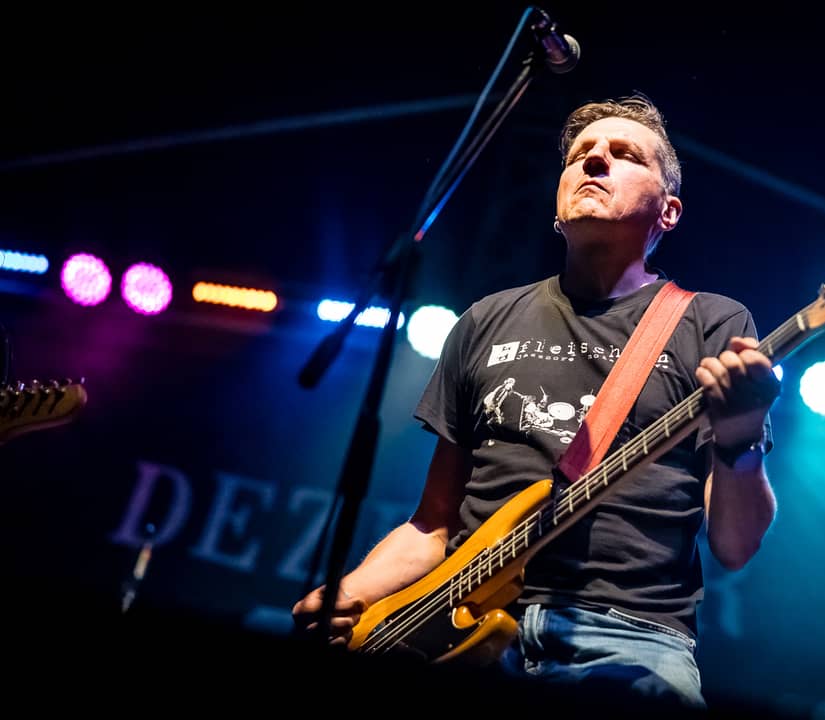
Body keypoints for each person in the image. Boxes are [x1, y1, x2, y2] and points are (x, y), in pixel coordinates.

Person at [292, 94, 781, 712]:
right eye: (580, 155)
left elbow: (736, 546)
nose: (594, 161)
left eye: (624, 155)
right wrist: (351, 593)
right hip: (454, 626)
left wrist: (742, 434)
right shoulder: (484, 319)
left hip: (626, 641)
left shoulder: (710, 323)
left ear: (669, 210)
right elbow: (432, 526)